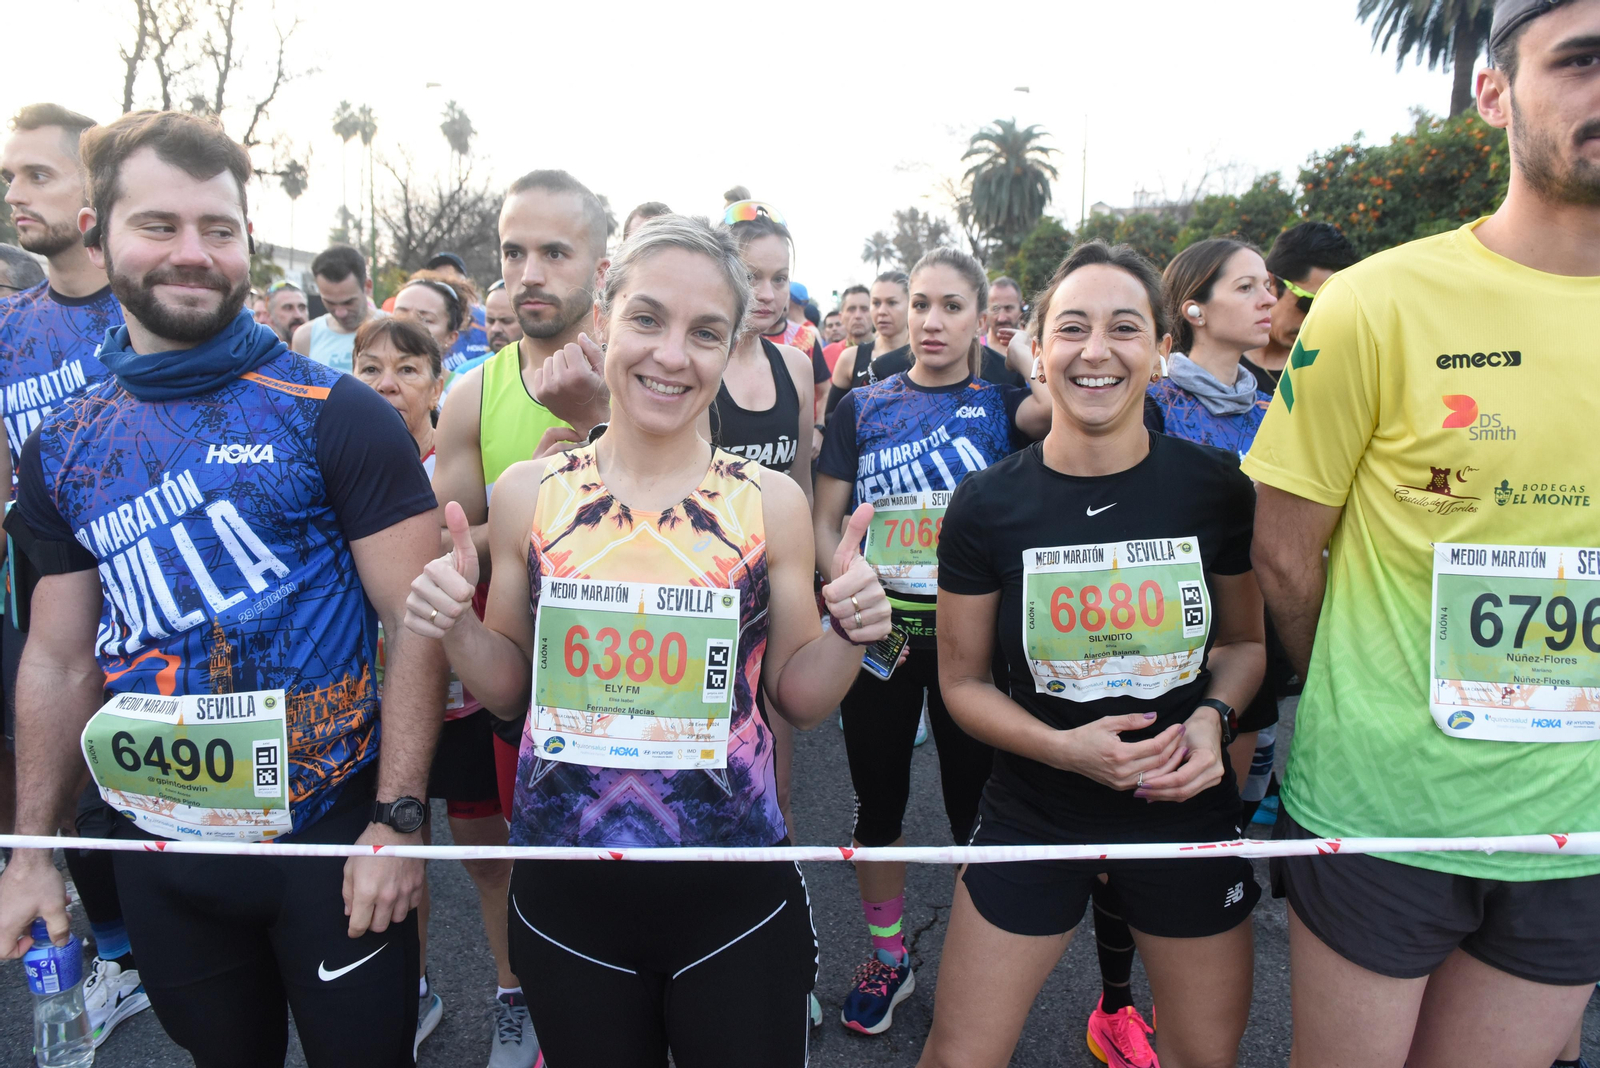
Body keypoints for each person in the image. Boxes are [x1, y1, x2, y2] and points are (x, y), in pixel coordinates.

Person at [0, 109, 446, 1068]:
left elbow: (414, 621)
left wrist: (400, 820)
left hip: (327, 836)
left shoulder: (337, 412)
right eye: (159, 226)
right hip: (159, 841)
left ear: (248, 242)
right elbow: (57, 653)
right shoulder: (62, 444)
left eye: (220, 229)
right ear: (99, 233)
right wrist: (33, 851)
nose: (192, 253)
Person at [406, 214, 893, 1067]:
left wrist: (854, 628)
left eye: (705, 333)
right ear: (604, 318)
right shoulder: (531, 494)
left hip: (734, 892)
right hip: (567, 892)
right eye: (647, 319)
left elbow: (797, 699)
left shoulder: (767, 501)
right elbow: (513, 692)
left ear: (730, 345)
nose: (672, 355)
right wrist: (454, 628)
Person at [1245, 2, 1600, 1065]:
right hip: (1385, 806)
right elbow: (1282, 551)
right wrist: (1358, 687)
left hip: (1574, 829)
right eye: (1580, 61)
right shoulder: (1372, 301)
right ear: (1492, 93)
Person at [917, 239, 1264, 1068]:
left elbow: (1246, 644)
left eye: (1124, 328)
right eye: (1071, 328)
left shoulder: (1215, 487)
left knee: (1203, 1057)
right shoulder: (986, 505)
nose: (1096, 351)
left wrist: (1214, 721)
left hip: (1183, 810)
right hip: (1036, 808)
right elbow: (961, 681)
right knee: (956, 1056)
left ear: (1161, 350)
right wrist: (1063, 749)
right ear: (1037, 349)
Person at [815, 247, 1052, 1035]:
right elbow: (825, 521)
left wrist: (1020, 349)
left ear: (981, 316)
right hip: (882, 643)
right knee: (878, 803)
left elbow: (1058, 405)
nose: (932, 321)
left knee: (974, 813)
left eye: (953, 306)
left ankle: (971, 968)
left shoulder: (1007, 403)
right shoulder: (862, 407)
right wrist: (846, 580)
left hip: (974, 650)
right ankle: (889, 956)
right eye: (920, 304)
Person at [351, 317, 537, 1066]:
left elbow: (502, 549)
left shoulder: (456, 466)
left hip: (463, 702)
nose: (388, 384)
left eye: (406, 369)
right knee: (398, 854)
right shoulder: (338, 461)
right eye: (369, 369)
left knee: (489, 859)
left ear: (438, 381)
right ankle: (414, 989)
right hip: (375, 702)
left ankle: (513, 996)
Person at [0, 102, 147, 1052]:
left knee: (131, 802)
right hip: (45, 599)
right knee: (63, 794)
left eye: (37, 176)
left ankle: (148, 955)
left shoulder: (150, 312)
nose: (15, 194)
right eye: (10, 178)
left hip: (150, 611)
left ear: (94, 198)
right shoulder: (13, 328)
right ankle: (116, 958)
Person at [431, 167, 612, 846]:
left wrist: (595, 446)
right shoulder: (473, 394)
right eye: (514, 253)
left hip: (650, 675)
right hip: (528, 690)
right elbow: (448, 551)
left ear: (599, 267)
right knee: (542, 877)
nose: (528, 274)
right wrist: (529, 499)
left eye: (553, 254)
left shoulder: (656, 378)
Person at [1242, 222, 1359, 396]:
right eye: (1309, 303)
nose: (1317, 318)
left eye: (1333, 306)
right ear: (1270, 283)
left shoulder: (1339, 371)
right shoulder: (1217, 362)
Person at [826, 269, 910, 412]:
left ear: (911, 305)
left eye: (892, 302)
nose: (882, 311)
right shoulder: (850, 358)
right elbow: (832, 418)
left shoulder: (926, 356)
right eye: (876, 303)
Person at [292, 244, 380, 373]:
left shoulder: (397, 331)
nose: (340, 312)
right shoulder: (305, 338)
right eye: (330, 303)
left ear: (367, 286)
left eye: (348, 302)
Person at [424, 252, 490, 371]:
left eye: (452, 277)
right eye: (436, 279)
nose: (445, 284)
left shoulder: (487, 321)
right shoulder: (416, 322)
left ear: (464, 283)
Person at [392, 271, 472, 365]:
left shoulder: (465, 380)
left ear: (451, 337)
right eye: (400, 316)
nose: (408, 325)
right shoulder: (372, 378)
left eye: (426, 320)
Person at [823, 285, 871, 371]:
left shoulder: (888, 351)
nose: (858, 316)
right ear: (841, 317)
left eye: (864, 309)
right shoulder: (826, 355)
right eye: (851, 309)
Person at [482, 279, 521, 354]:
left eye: (506, 321)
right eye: (490, 321)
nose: (495, 329)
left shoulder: (547, 364)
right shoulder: (476, 366)